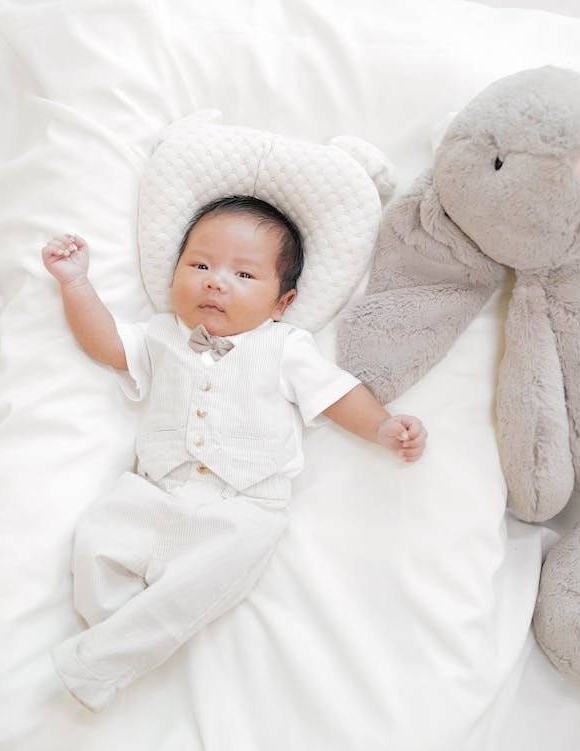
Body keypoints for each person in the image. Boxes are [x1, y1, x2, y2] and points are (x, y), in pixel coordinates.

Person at [41, 195, 426, 711]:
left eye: (243, 275)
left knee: (202, 582)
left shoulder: (285, 346)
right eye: (200, 266)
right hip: (155, 490)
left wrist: (381, 425)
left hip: (243, 505)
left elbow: (336, 394)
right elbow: (105, 343)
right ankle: (119, 639)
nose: (216, 282)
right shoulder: (161, 334)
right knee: (95, 542)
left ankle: (99, 665)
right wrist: (75, 284)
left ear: (281, 303)